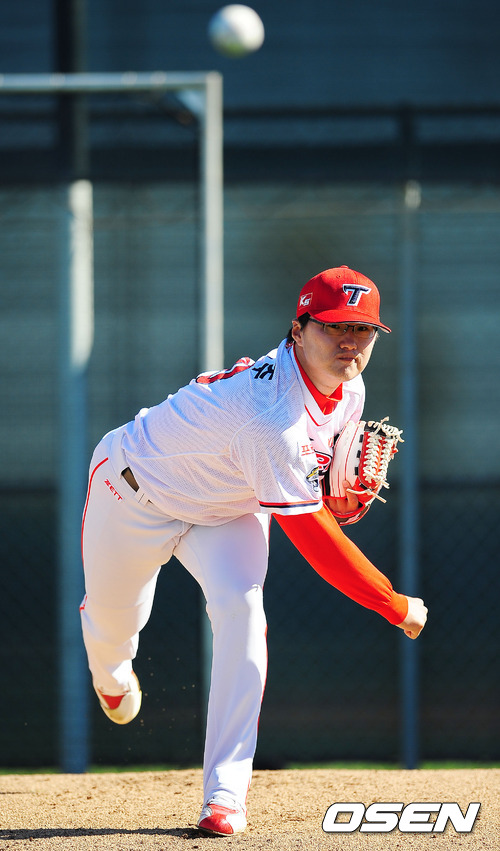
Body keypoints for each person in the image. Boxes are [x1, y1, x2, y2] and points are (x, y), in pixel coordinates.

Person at [80, 265, 427, 837]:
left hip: (227, 508)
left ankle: (225, 795)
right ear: (298, 329)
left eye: (363, 329)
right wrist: (393, 603)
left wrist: (330, 496)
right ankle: (112, 674)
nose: (350, 342)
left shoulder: (351, 389)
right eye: (334, 326)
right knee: (115, 626)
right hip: (134, 491)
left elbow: (313, 491)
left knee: (244, 614)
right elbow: (315, 539)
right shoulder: (272, 417)